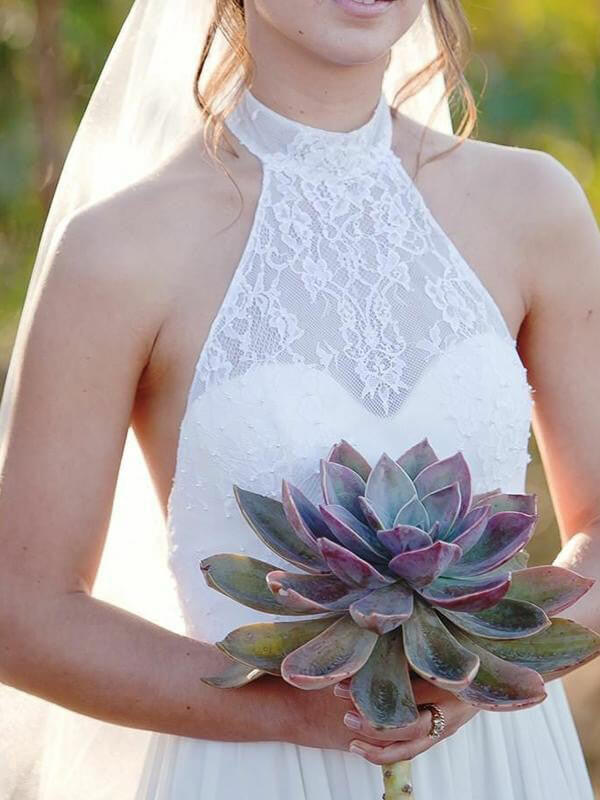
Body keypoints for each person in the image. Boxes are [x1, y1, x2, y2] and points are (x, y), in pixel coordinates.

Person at [1, 1, 599, 798]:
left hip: (501, 765)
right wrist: (291, 713)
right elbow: (25, 612)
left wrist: (483, 677)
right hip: (248, 770)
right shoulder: (120, 252)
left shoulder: (534, 205)